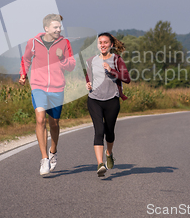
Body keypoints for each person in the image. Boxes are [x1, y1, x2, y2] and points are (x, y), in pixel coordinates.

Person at [19, 14, 75, 175]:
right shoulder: (34, 43)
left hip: (57, 88)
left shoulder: (64, 43)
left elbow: (71, 65)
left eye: (60, 27)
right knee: (40, 119)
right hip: (38, 86)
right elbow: (26, 59)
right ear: (46, 28)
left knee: (54, 124)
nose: (59, 29)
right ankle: (44, 159)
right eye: (56, 27)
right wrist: (23, 74)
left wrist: (62, 57)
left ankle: (53, 151)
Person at [85, 32, 131, 177]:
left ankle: (109, 153)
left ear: (111, 45)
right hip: (94, 99)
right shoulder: (91, 60)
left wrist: (112, 71)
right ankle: (100, 164)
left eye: (105, 42)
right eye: (100, 42)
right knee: (99, 131)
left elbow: (127, 78)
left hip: (112, 100)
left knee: (109, 132)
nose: (102, 45)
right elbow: (88, 76)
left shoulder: (117, 59)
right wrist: (88, 83)